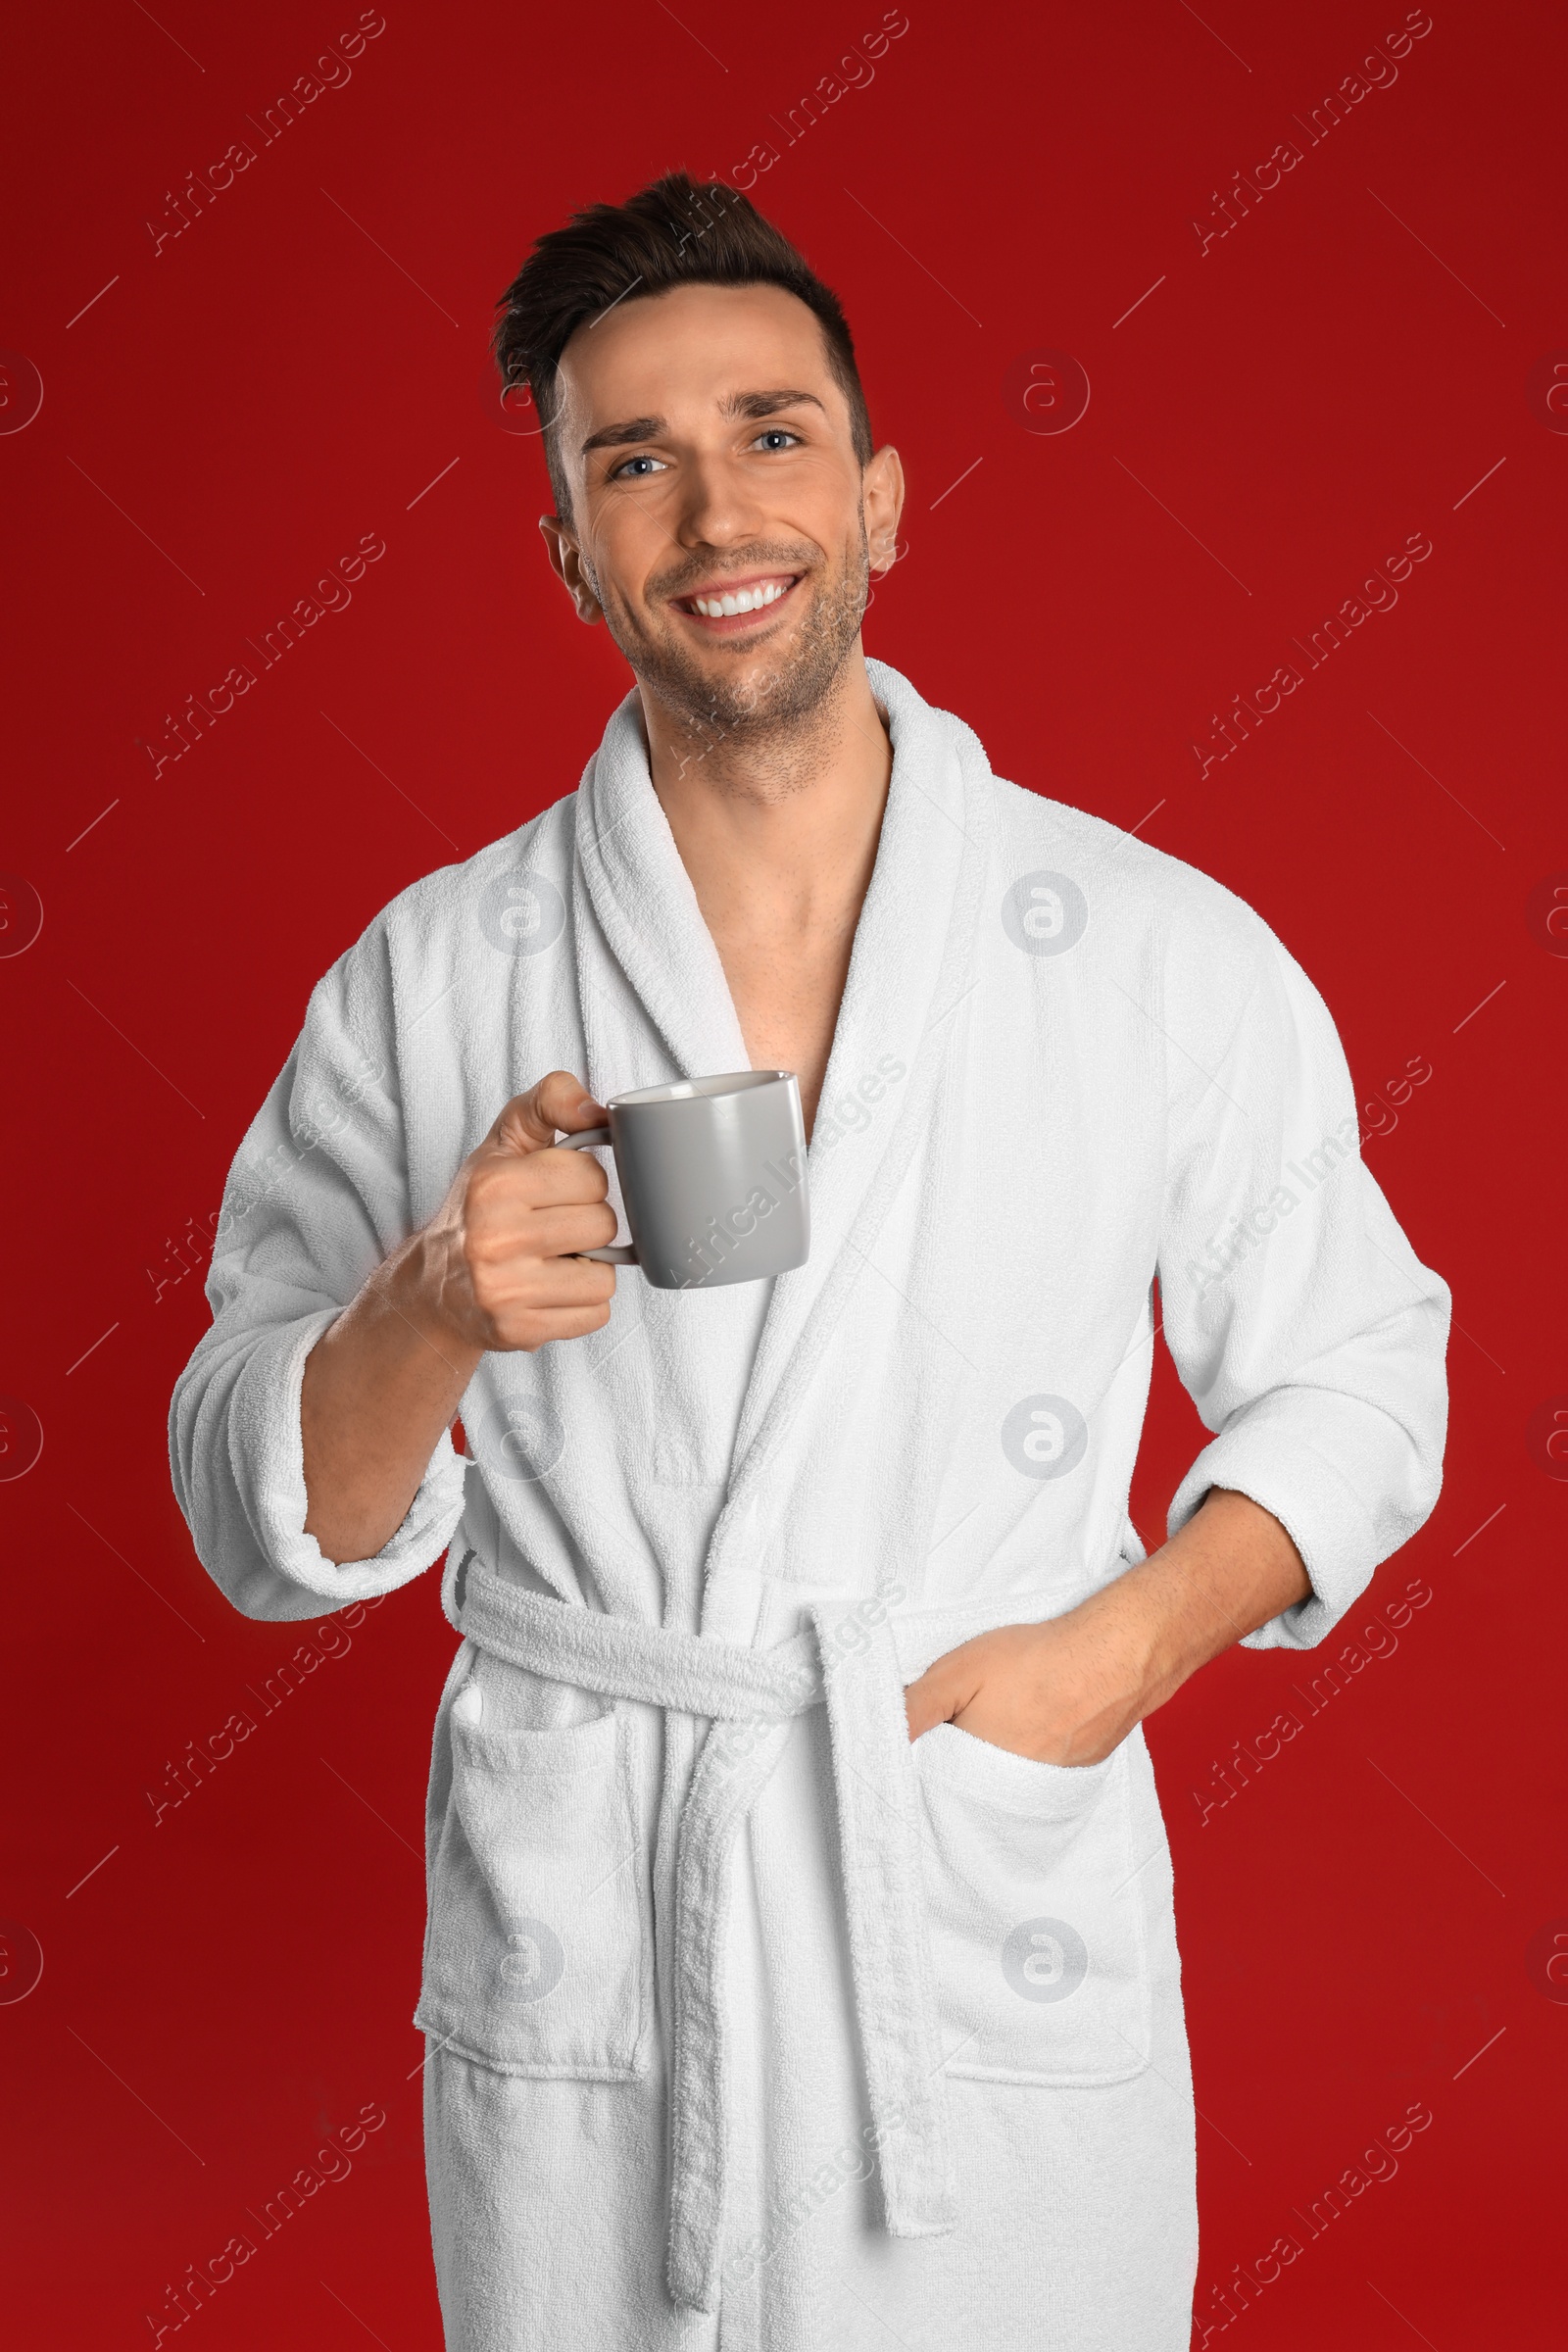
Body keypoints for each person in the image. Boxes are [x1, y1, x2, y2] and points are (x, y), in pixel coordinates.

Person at [170, 172, 1450, 2351]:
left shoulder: (1140, 945)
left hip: (958, 1880)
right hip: (601, 1907)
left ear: (875, 496)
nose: (711, 509)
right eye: (631, 461)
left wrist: (1115, 1656)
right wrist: (424, 1312)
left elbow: (1361, 1373)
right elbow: (250, 1512)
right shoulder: (432, 975)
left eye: (768, 434)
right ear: (568, 551)